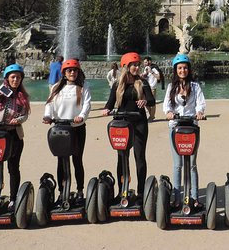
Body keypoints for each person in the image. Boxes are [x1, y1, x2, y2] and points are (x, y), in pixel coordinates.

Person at [102, 52, 155, 199]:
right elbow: (110, 102)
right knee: (122, 157)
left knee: (139, 157)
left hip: (139, 123)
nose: (137, 68)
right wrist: (106, 109)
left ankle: (141, 191)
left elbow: (151, 100)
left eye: (138, 65)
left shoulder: (143, 82)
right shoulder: (117, 84)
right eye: (134, 65)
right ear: (126, 67)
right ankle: (122, 190)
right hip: (122, 124)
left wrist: (145, 101)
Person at [44, 59, 92, 201]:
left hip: (76, 128)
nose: (72, 73)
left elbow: (87, 104)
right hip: (60, 128)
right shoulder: (56, 88)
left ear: (78, 72)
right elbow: (49, 104)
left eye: (75, 70)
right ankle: (62, 191)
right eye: (69, 70)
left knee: (77, 160)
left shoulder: (83, 87)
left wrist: (82, 116)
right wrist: (47, 116)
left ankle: (79, 190)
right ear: (64, 73)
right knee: (61, 160)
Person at [163, 54, 206, 208]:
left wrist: (199, 112)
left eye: (185, 67)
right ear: (176, 70)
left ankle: (194, 198)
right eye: (180, 68)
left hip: (191, 128)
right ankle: (177, 198)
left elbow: (201, 103)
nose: (183, 70)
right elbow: (166, 106)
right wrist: (168, 113)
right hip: (175, 127)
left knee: (192, 164)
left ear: (189, 69)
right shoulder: (171, 87)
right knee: (177, 164)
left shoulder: (195, 86)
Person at [0, 64, 30, 209]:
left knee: (13, 168)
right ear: (7, 78)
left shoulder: (23, 96)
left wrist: (18, 120)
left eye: (18, 77)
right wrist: (4, 89)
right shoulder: (4, 90)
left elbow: (25, 115)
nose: (16, 80)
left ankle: (13, 199)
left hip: (14, 134)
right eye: (13, 77)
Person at [141, 56, 162, 121]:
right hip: (146, 87)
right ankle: (151, 115)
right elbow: (145, 76)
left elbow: (159, 77)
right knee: (145, 102)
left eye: (146, 62)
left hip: (152, 88)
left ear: (149, 61)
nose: (144, 63)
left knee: (152, 103)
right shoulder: (146, 68)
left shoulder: (154, 68)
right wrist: (143, 75)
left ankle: (152, 116)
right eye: (144, 62)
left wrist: (151, 72)